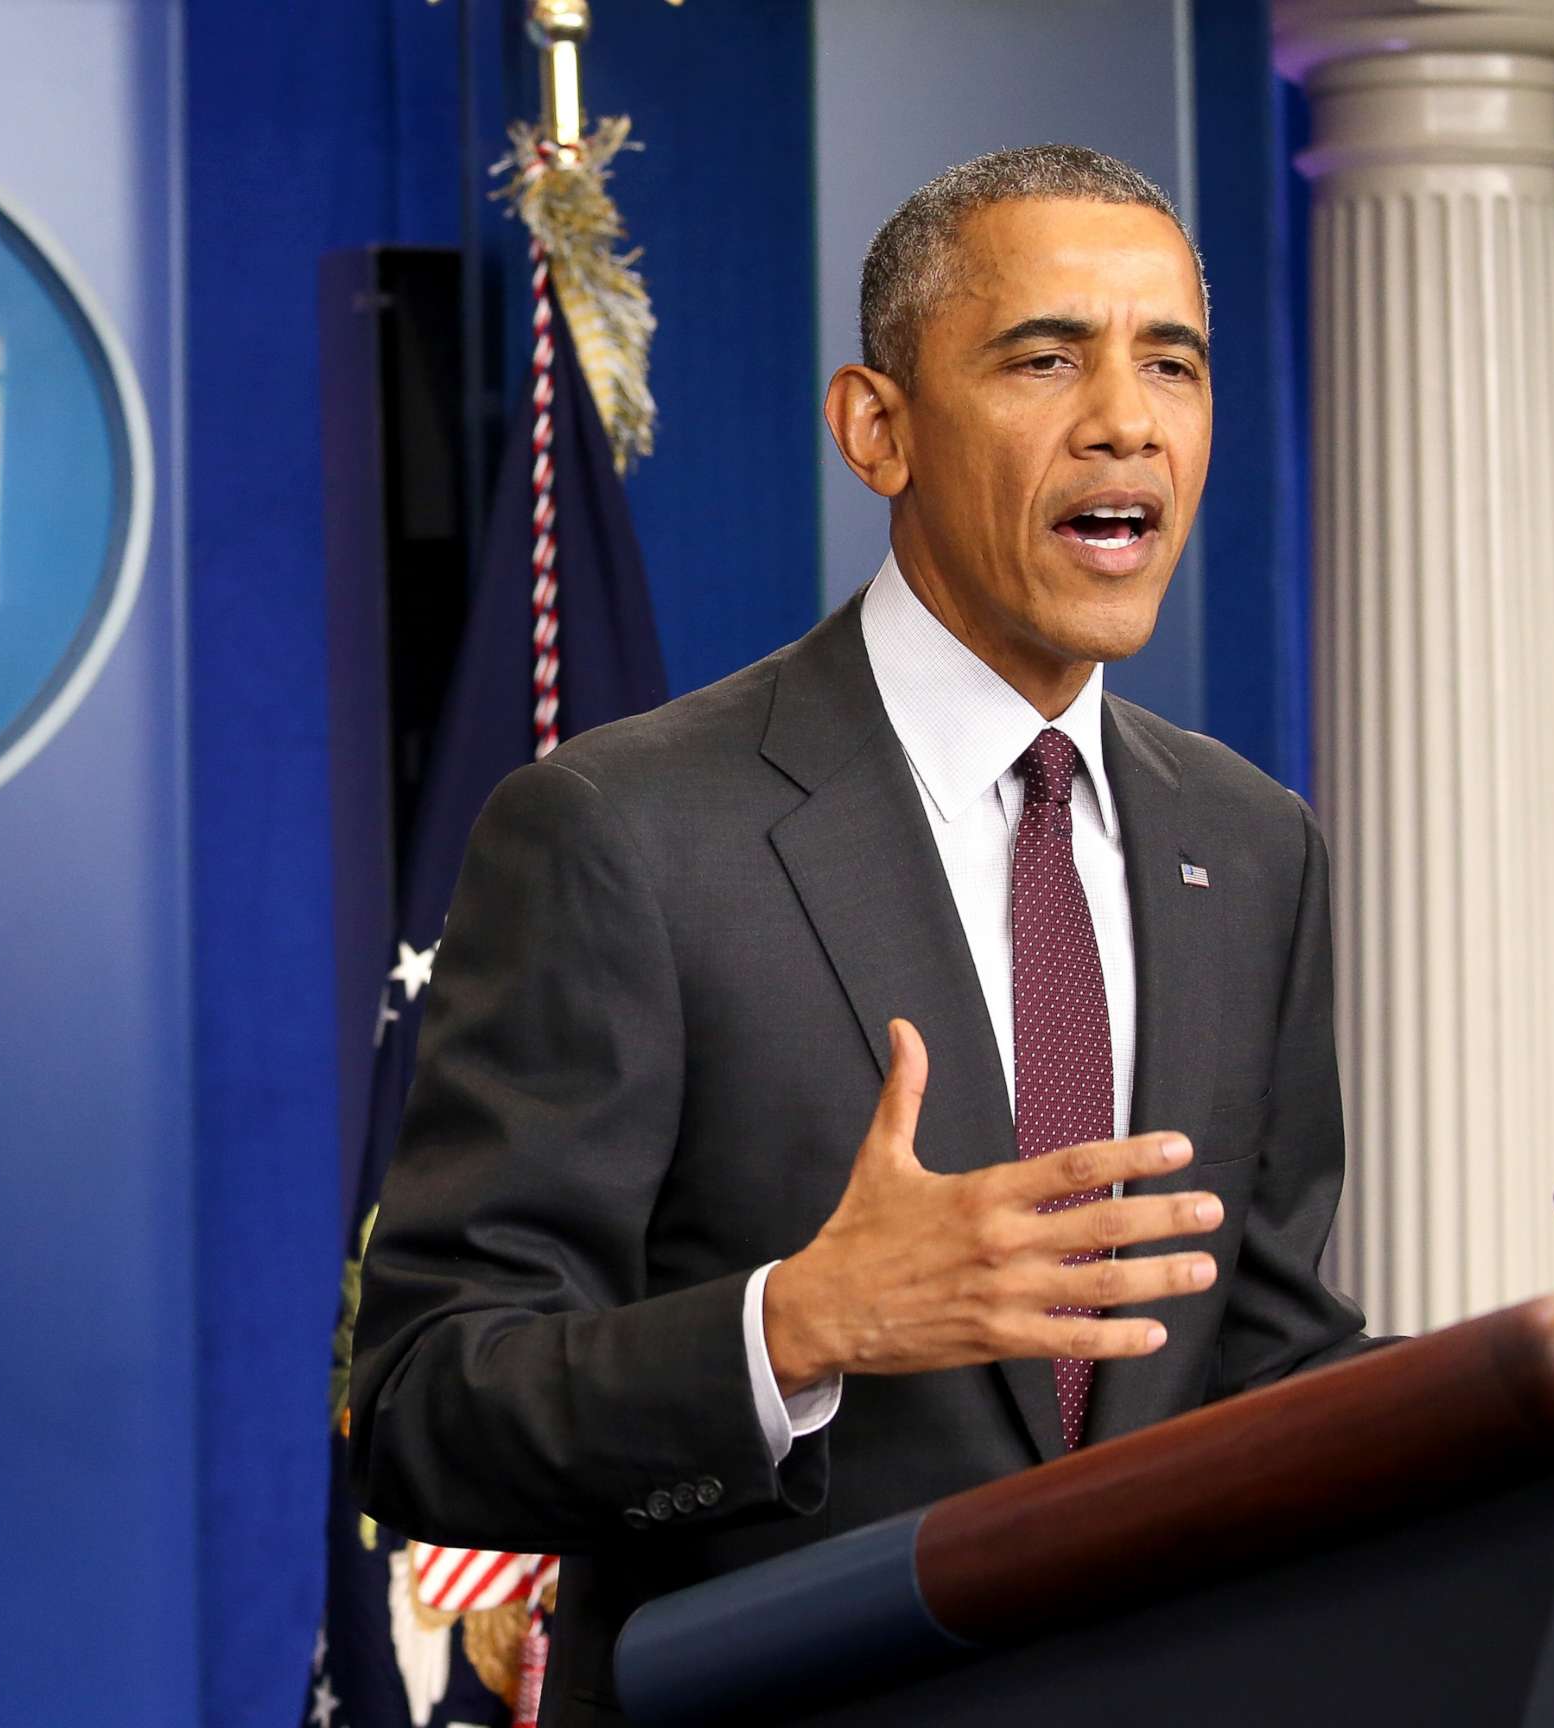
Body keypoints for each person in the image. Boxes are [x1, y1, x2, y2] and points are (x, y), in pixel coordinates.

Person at [345, 144, 1376, 1725]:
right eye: (1047, 357)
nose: (1128, 418)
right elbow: (428, 1407)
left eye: (1172, 361)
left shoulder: (1252, 847)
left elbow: (1267, 1362)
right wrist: (801, 1326)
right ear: (875, 427)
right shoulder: (624, 830)